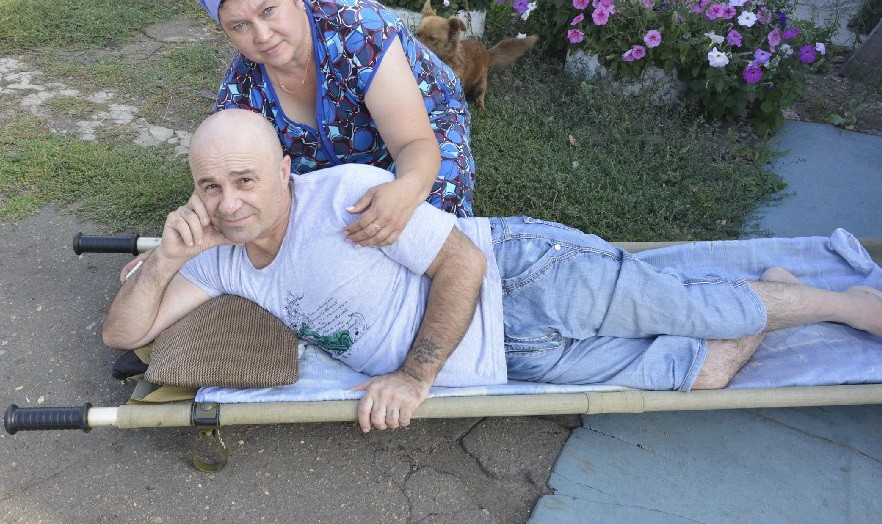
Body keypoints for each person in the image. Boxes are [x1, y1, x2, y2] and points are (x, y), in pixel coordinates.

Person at [102, 110, 882, 433]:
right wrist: (167, 258)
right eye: (211, 186)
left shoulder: (340, 196)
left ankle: (845, 304)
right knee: (705, 373)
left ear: (282, 170)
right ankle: (778, 293)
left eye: (245, 180)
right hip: (513, 358)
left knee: (707, 313)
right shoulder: (225, 260)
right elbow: (124, 332)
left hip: (526, 275)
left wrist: (413, 379)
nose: (230, 203)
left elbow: (464, 263)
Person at [194, 0, 476, 249]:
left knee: (429, 213)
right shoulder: (240, 93)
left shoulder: (360, 29)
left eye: (269, 10)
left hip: (424, 123)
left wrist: (407, 189)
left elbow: (415, 143)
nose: (262, 35)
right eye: (239, 26)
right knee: (319, 234)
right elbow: (229, 184)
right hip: (338, 163)